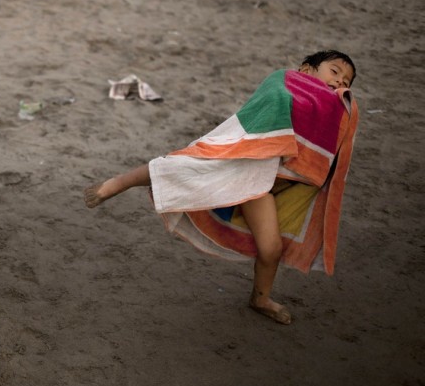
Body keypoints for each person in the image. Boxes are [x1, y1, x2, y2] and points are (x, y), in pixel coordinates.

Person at [84, 50, 358, 325]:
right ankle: (116, 184)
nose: (339, 82)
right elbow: (270, 102)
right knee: (183, 168)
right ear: (307, 70)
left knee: (271, 249)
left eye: (346, 81)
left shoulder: (332, 112)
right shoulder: (284, 80)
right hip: (244, 164)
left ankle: (260, 298)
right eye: (334, 71)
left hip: (267, 184)